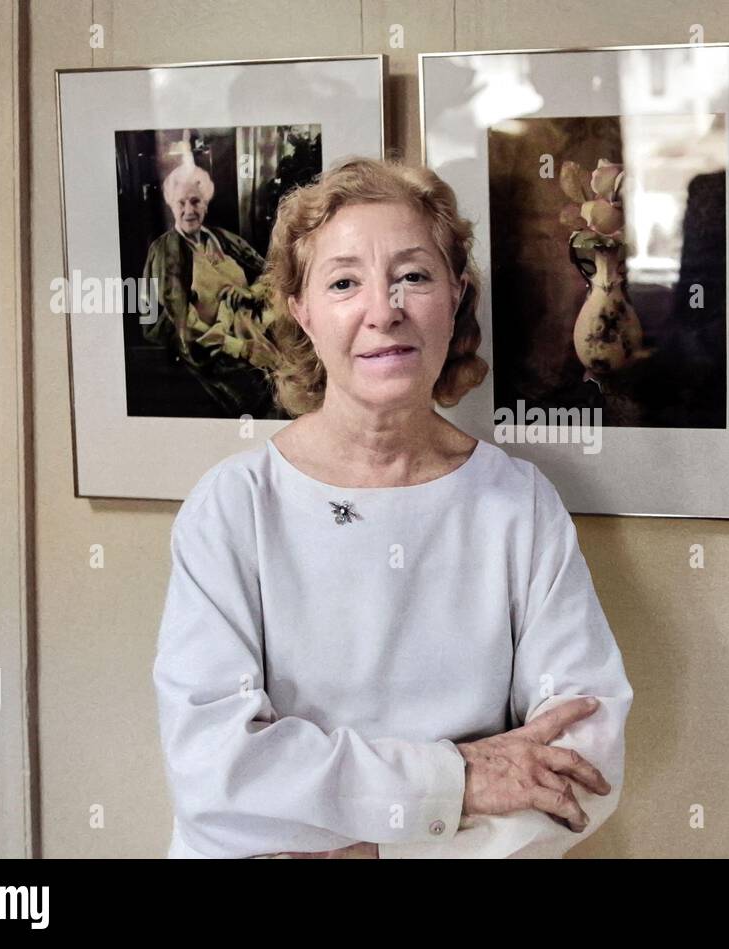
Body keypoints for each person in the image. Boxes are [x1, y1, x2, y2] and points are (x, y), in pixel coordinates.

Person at [152, 157, 633, 859]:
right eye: (345, 282)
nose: (385, 310)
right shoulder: (232, 508)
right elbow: (215, 771)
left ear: (455, 295)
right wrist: (455, 778)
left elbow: (584, 758)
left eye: (413, 275)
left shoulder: (518, 505)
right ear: (302, 312)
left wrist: (382, 851)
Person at [141, 150, 284, 417]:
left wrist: (250, 293)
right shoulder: (165, 251)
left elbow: (271, 274)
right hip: (212, 345)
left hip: (254, 326)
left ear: (206, 203)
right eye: (180, 203)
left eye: (195, 201)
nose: (188, 210)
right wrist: (241, 348)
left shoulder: (223, 238)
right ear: (171, 206)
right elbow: (181, 321)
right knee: (263, 397)